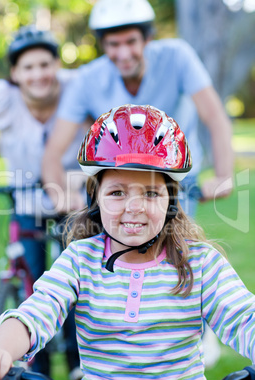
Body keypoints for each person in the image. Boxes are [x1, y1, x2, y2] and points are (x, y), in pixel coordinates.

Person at [0, 104, 254, 380]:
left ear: (171, 201)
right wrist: (0, 349)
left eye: (150, 193)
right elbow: (36, 312)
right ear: (95, 199)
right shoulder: (80, 260)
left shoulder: (200, 263)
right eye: (117, 193)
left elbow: (244, 317)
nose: (133, 207)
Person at [42, 0, 233, 218]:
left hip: (175, 176)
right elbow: (54, 150)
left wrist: (223, 175)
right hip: (117, 178)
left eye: (131, 41)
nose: (123, 53)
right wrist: (58, 193)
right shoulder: (87, 79)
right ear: (103, 45)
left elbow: (215, 118)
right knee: (108, 247)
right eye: (114, 44)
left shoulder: (177, 57)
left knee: (174, 247)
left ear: (147, 38)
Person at [0, 25, 85, 380]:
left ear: (57, 65)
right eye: (27, 67)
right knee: (32, 279)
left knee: (77, 277)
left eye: (44, 64)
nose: (37, 74)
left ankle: (77, 361)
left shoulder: (78, 88)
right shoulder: (1, 97)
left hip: (74, 199)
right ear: (14, 73)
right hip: (25, 198)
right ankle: (33, 370)